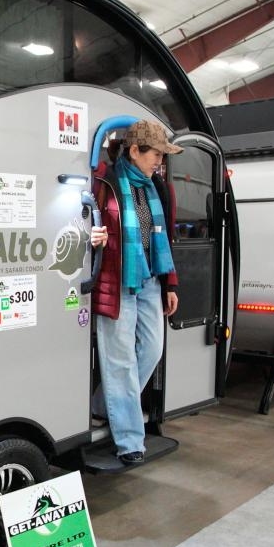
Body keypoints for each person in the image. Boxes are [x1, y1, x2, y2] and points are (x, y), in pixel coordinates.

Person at [90, 120, 181, 465]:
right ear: (134, 151)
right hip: (117, 279)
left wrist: (170, 283)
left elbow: (164, 238)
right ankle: (130, 440)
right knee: (120, 360)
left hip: (150, 279)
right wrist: (92, 235)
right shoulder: (105, 182)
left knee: (152, 350)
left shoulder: (157, 187)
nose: (160, 161)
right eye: (156, 153)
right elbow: (84, 221)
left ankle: (102, 405)